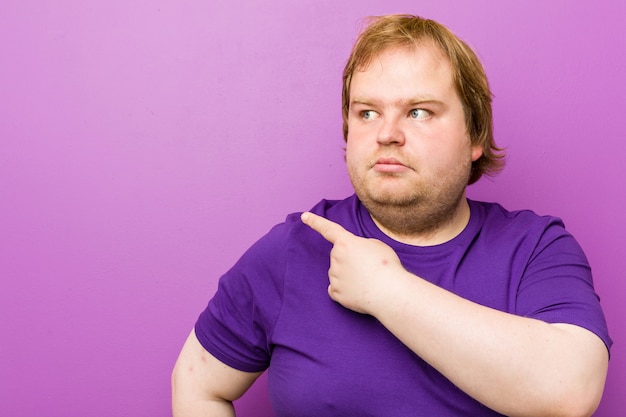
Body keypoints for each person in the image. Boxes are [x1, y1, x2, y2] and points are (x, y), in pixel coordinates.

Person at [172, 14, 611, 417]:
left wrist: (386, 289)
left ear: (475, 135)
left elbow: (569, 390)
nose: (386, 134)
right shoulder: (294, 250)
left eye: (419, 112)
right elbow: (197, 384)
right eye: (367, 113)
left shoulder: (536, 247)